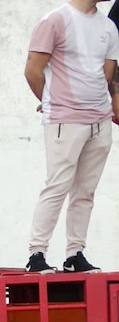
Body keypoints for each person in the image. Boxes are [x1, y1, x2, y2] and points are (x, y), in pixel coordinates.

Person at [25, 0, 119, 273]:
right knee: (57, 185)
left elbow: (108, 75)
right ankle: (37, 253)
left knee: (85, 191)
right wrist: (50, 100)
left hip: (99, 120)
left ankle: (74, 253)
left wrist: (111, 102)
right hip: (65, 120)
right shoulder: (55, 20)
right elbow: (32, 69)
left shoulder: (109, 26)